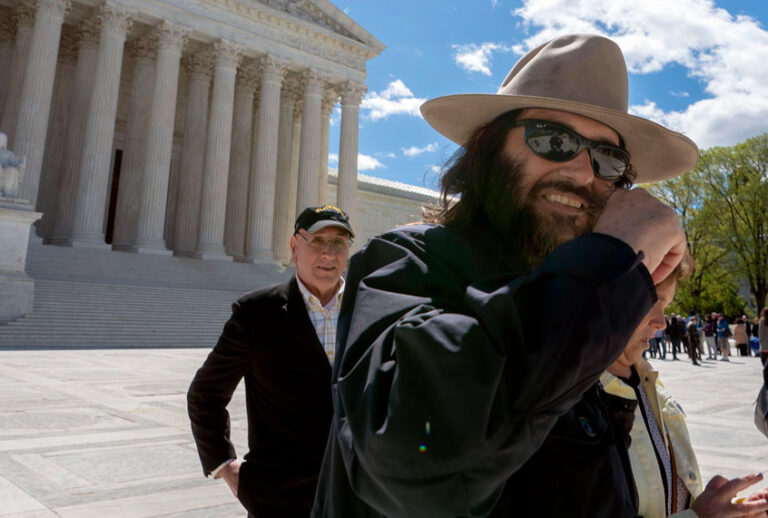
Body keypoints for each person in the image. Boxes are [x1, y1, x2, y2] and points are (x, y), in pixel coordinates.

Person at [312, 34, 697, 517]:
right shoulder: (407, 262)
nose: (582, 173)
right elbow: (409, 452)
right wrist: (607, 258)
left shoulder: (580, 302)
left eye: (608, 159)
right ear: (488, 150)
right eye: (552, 141)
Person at [187, 206, 354, 518]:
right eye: (318, 241)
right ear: (294, 247)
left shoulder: (366, 310)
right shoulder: (257, 314)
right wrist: (225, 464)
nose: (329, 254)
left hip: (358, 498)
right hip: (280, 500)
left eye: (339, 243)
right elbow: (205, 394)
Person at [602, 259, 768, 518]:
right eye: (651, 302)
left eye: (666, 306)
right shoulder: (569, 402)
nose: (662, 322)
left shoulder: (647, 379)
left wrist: (724, 511)